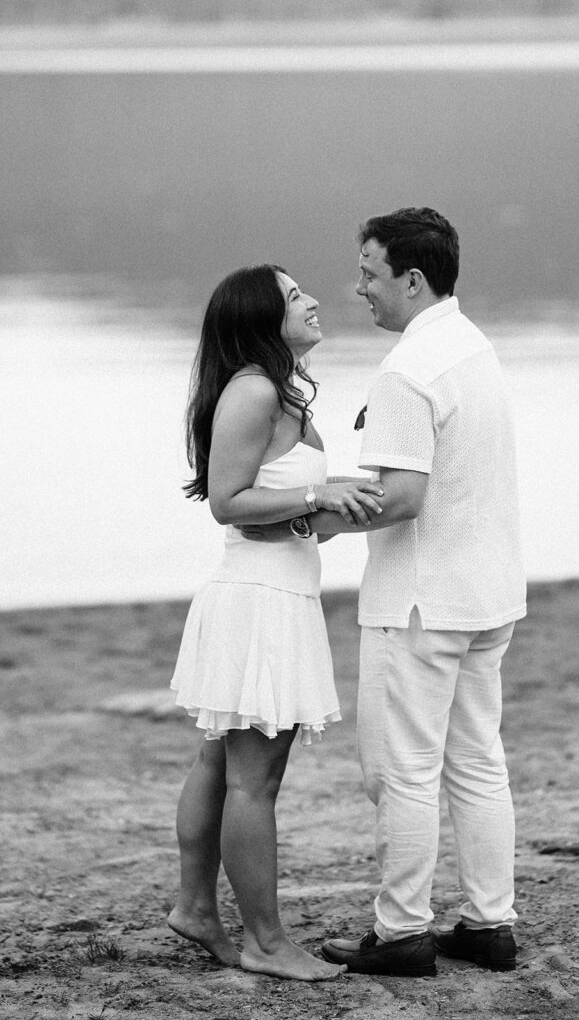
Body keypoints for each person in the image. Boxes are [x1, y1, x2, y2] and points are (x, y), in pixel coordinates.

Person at [264, 207, 526, 976]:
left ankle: (402, 931)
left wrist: (305, 522)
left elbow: (403, 496)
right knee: (477, 760)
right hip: (486, 591)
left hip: (420, 601)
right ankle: (488, 924)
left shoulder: (408, 370)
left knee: (401, 771)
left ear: (412, 279)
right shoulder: (470, 347)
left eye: (370, 274)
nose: (358, 289)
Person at [167, 263, 383, 982]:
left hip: (274, 589)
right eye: (294, 298)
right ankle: (264, 941)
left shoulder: (282, 393)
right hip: (257, 602)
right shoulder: (255, 389)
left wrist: (340, 504)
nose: (314, 300)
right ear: (263, 317)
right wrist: (324, 489)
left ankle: (196, 907)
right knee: (254, 780)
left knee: (221, 763)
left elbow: (290, 520)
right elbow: (229, 504)